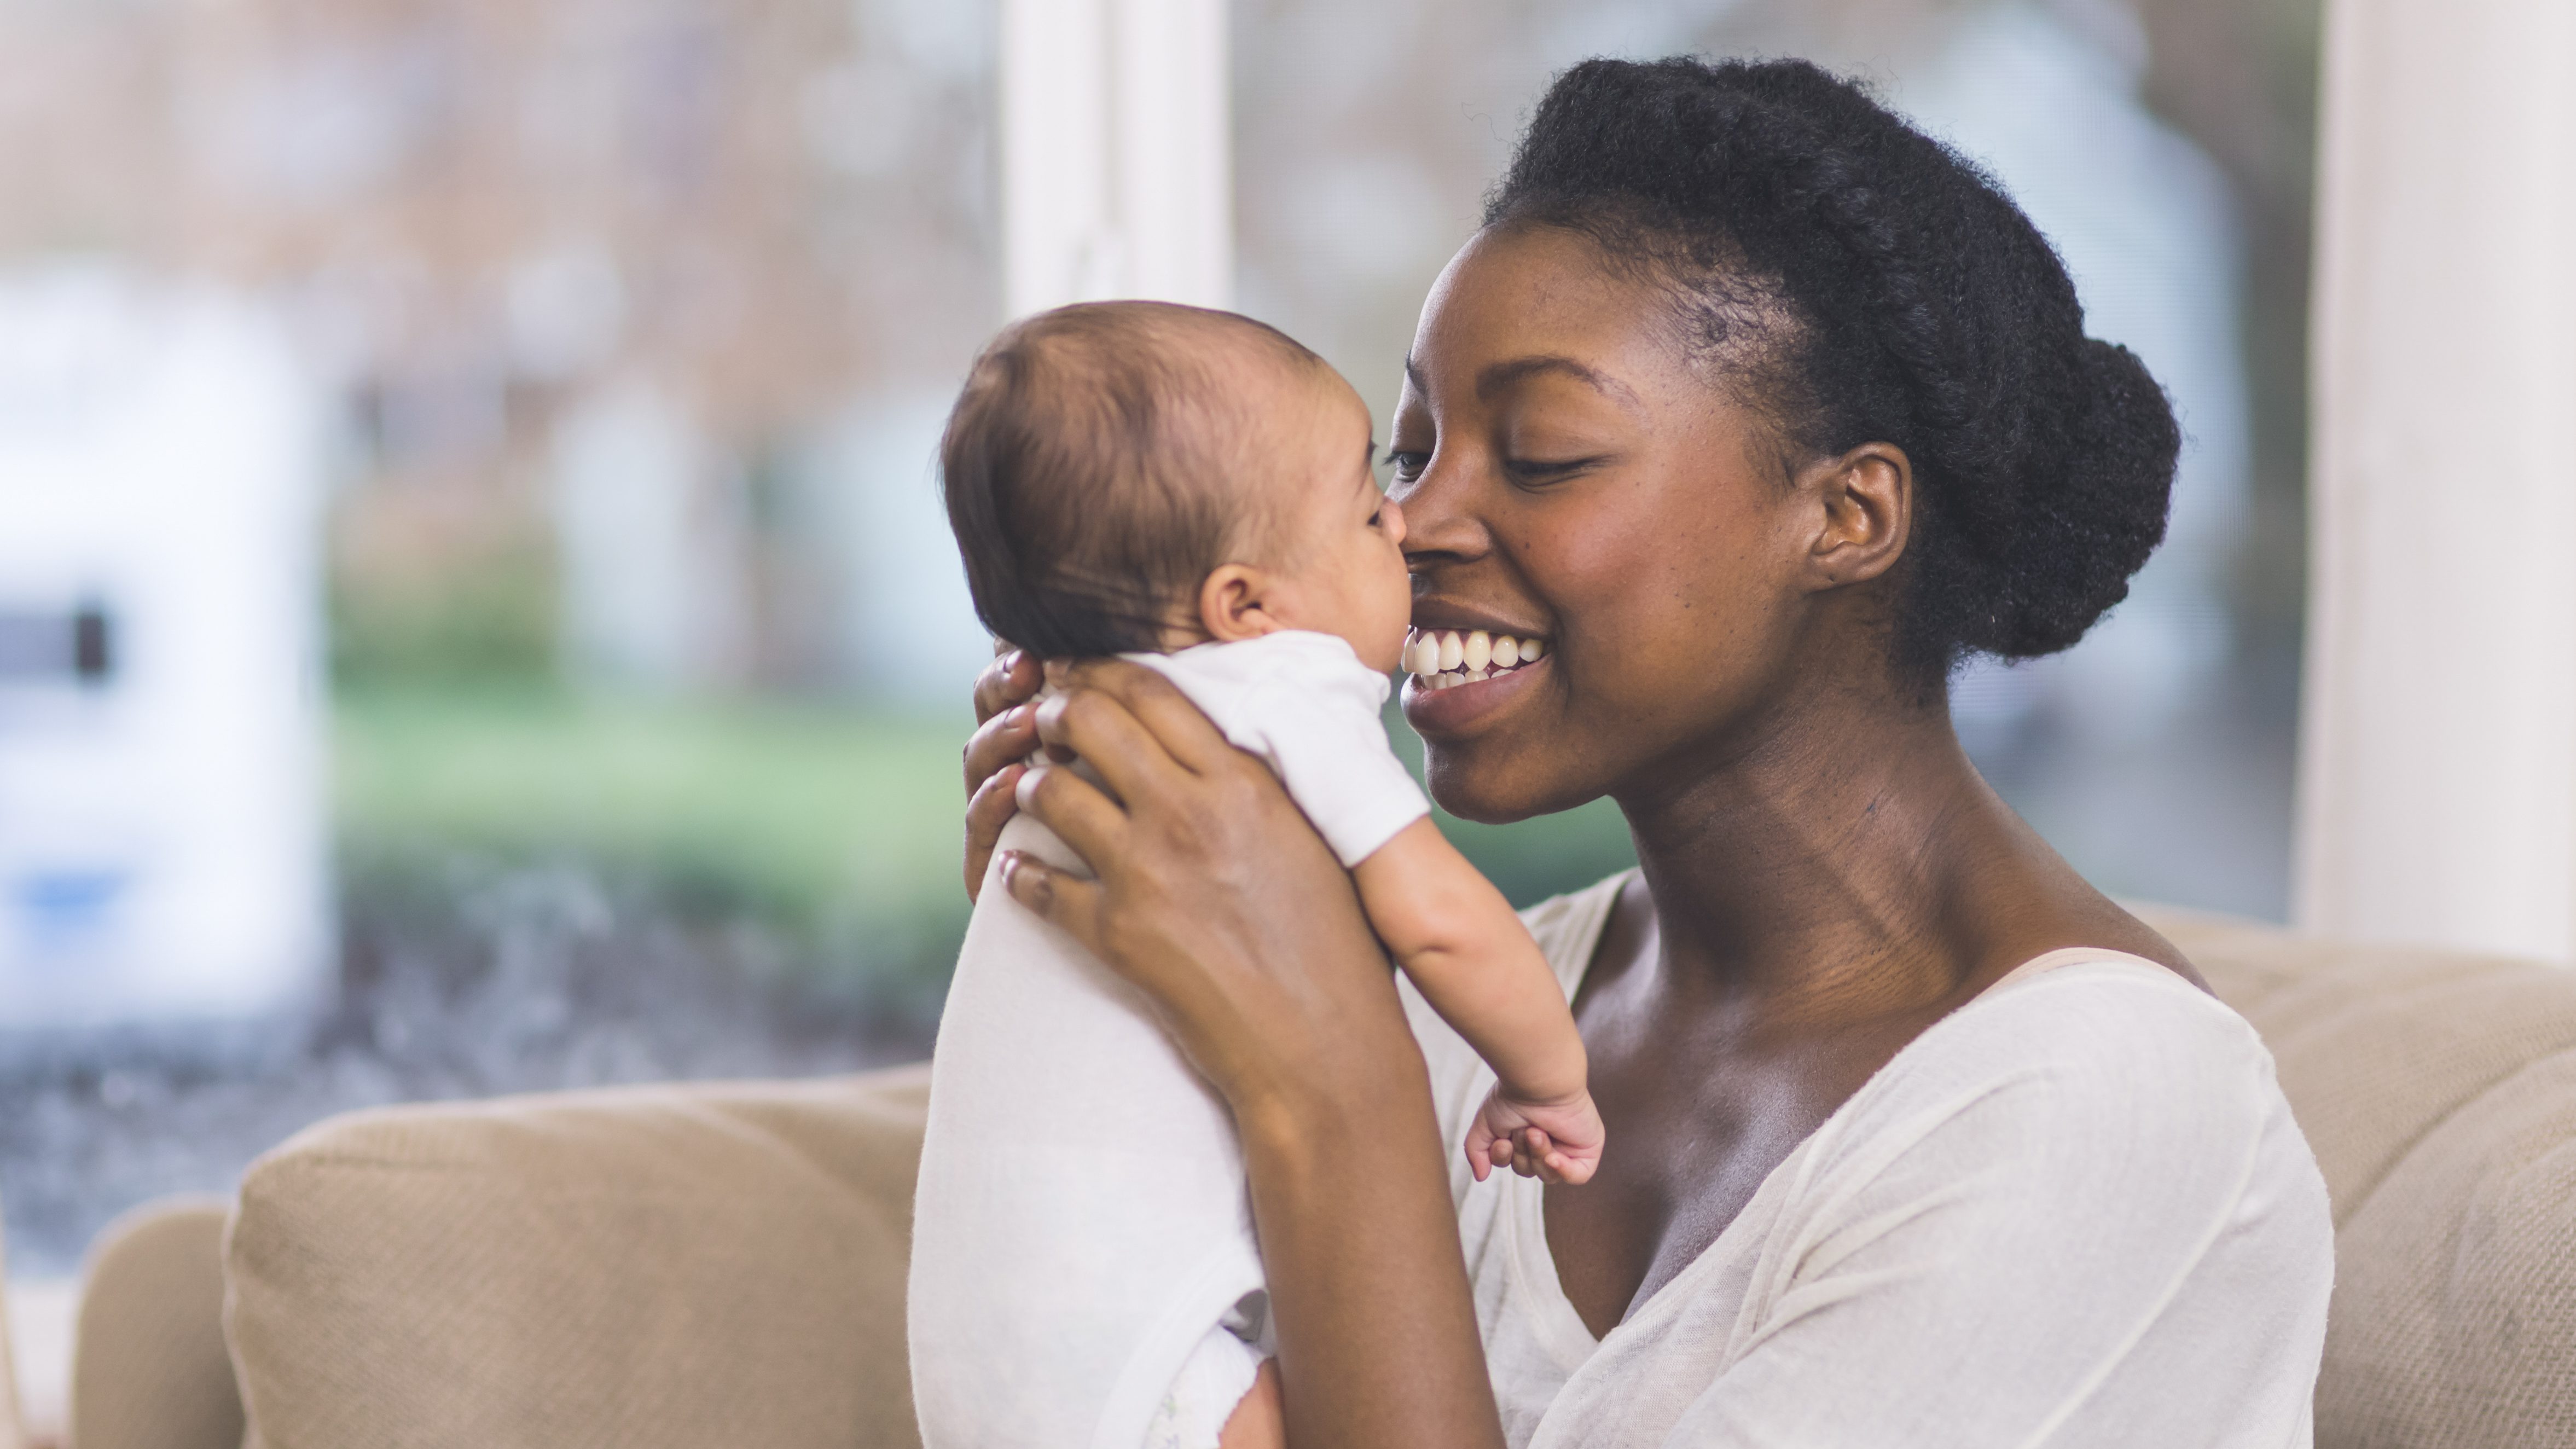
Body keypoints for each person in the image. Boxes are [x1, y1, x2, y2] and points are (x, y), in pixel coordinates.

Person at [954, 56, 2335, 1448]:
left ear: (1846, 516)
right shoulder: (1465, 995)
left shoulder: (2092, 1106)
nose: (1413, 525)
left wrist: (1333, 1091)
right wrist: (1095, 969)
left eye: (1542, 454)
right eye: (1407, 455)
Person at [909, 301, 1604, 1449]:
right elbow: (1442, 922)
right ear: (1244, 605)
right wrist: (1550, 1080)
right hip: (1156, 1358)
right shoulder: (1278, 690)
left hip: (993, 1360)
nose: (1407, 523)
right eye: (1373, 503)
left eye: (1540, 456)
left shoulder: (1078, 721)